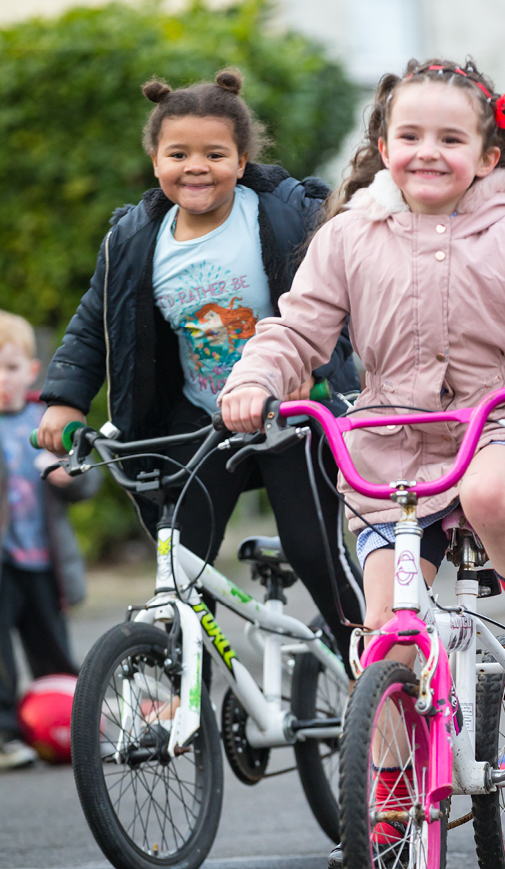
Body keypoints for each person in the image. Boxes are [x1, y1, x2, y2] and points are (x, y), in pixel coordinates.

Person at [219, 57, 505, 866]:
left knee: (487, 494)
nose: (428, 152)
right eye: (409, 135)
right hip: (389, 444)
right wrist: (254, 380)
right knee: (390, 641)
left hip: (501, 425)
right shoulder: (346, 237)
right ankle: (393, 802)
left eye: (451, 137)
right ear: (382, 145)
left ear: (487, 156)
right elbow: (296, 332)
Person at [37, 69, 364, 662]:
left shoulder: (284, 215)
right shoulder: (136, 238)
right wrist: (65, 399)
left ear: (241, 162)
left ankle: (373, 667)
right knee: (181, 559)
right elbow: (93, 323)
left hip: (292, 414)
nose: (196, 166)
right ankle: (185, 687)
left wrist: (318, 368)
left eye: (214, 153)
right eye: (178, 153)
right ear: (155, 160)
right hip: (203, 419)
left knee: (316, 550)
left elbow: (339, 300)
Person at [0, 312, 98, 769]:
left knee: (54, 652)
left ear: (31, 371)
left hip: (45, 562)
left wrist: (69, 477)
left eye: (11, 367)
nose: (3, 379)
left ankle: (69, 728)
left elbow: (88, 482)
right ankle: (5, 736)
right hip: (5, 563)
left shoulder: (48, 420)